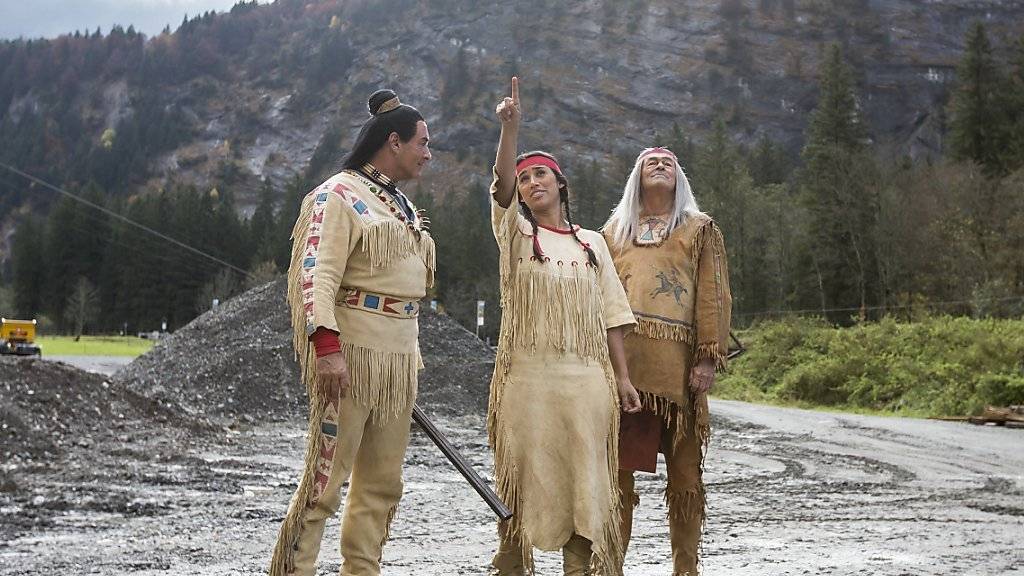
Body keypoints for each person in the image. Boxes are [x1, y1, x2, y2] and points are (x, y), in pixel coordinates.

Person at [269, 89, 435, 576]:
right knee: (326, 478)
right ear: (394, 141)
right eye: (422, 143)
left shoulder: (400, 203)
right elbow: (316, 273)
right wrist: (327, 347)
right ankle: (294, 569)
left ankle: (362, 570)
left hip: (399, 359)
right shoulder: (338, 194)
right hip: (352, 353)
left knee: (383, 484)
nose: (428, 154)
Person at [487, 77, 642, 576]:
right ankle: (513, 563)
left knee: (586, 481)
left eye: (541, 175)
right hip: (527, 379)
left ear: (560, 184)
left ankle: (580, 569)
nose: (532, 183)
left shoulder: (592, 243)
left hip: (586, 381)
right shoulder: (515, 234)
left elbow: (613, 316)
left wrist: (621, 379)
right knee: (524, 477)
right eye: (525, 177)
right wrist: (511, 130)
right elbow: (502, 188)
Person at [602, 146, 732, 576]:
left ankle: (685, 568)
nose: (660, 166)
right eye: (651, 162)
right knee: (619, 474)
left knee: (685, 477)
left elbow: (714, 295)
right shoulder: (613, 231)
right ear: (636, 176)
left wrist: (708, 358)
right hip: (624, 371)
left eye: (669, 162)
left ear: (680, 178)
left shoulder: (699, 229)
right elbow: (596, 298)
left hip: (677, 373)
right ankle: (611, 567)